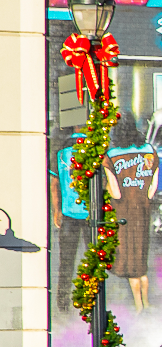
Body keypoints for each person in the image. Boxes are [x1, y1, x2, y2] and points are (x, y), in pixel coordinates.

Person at [104, 117, 160, 312]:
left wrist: (106, 190)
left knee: (130, 259)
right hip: (142, 211)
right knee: (141, 259)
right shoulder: (149, 151)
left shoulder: (111, 156)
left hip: (124, 213)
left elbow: (116, 193)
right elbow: (152, 189)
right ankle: (146, 302)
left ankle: (138, 305)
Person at [48, 127, 89, 314]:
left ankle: (62, 301)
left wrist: (57, 210)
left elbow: (54, 183)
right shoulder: (93, 148)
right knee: (93, 258)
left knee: (66, 261)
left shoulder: (62, 149)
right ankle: (90, 297)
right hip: (90, 212)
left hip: (68, 212)